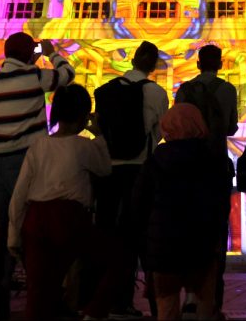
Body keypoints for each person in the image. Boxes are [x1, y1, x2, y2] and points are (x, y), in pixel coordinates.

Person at [0, 32, 74, 320]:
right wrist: (51, 52)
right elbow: (67, 75)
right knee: (27, 226)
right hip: (23, 160)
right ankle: (41, 292)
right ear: (27, 54)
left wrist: (33, 56)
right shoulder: (34, 77)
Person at [7, 84, 111, 320]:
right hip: (70, 218)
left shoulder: (39, 145)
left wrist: (13, 233)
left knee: (38, 289)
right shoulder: (84, 146)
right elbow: (104, 168)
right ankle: (90, 310)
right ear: (84, 115)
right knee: (107, 264)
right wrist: (99, 135)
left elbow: (20, 193)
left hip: (35, 219)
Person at [94, 40, 169, 319]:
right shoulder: (156, 93)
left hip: (109, 169)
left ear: (133, 59)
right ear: (154, 65)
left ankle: (107, 298)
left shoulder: (107, 90)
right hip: (139, 169)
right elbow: (160, 132)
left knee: (110, 234)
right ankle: (153, 302)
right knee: (141, 236)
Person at [132, 103, 224, 320]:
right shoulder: (212, 160)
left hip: (163, 247)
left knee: (166, 307)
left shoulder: (155, 160)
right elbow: (219, 205)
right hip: (201, 245)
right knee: (204, 305)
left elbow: (139, 203)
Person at [175, 44, 238, 316]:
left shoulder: (184, 90)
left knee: (187, 229)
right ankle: (214, 299)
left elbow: (177, 124)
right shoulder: (228, 90)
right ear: (220, 64)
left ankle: (189, 294)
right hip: (216, 166)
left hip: (187, 165)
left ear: (198, 63)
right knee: (216, 231)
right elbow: (231, 127)